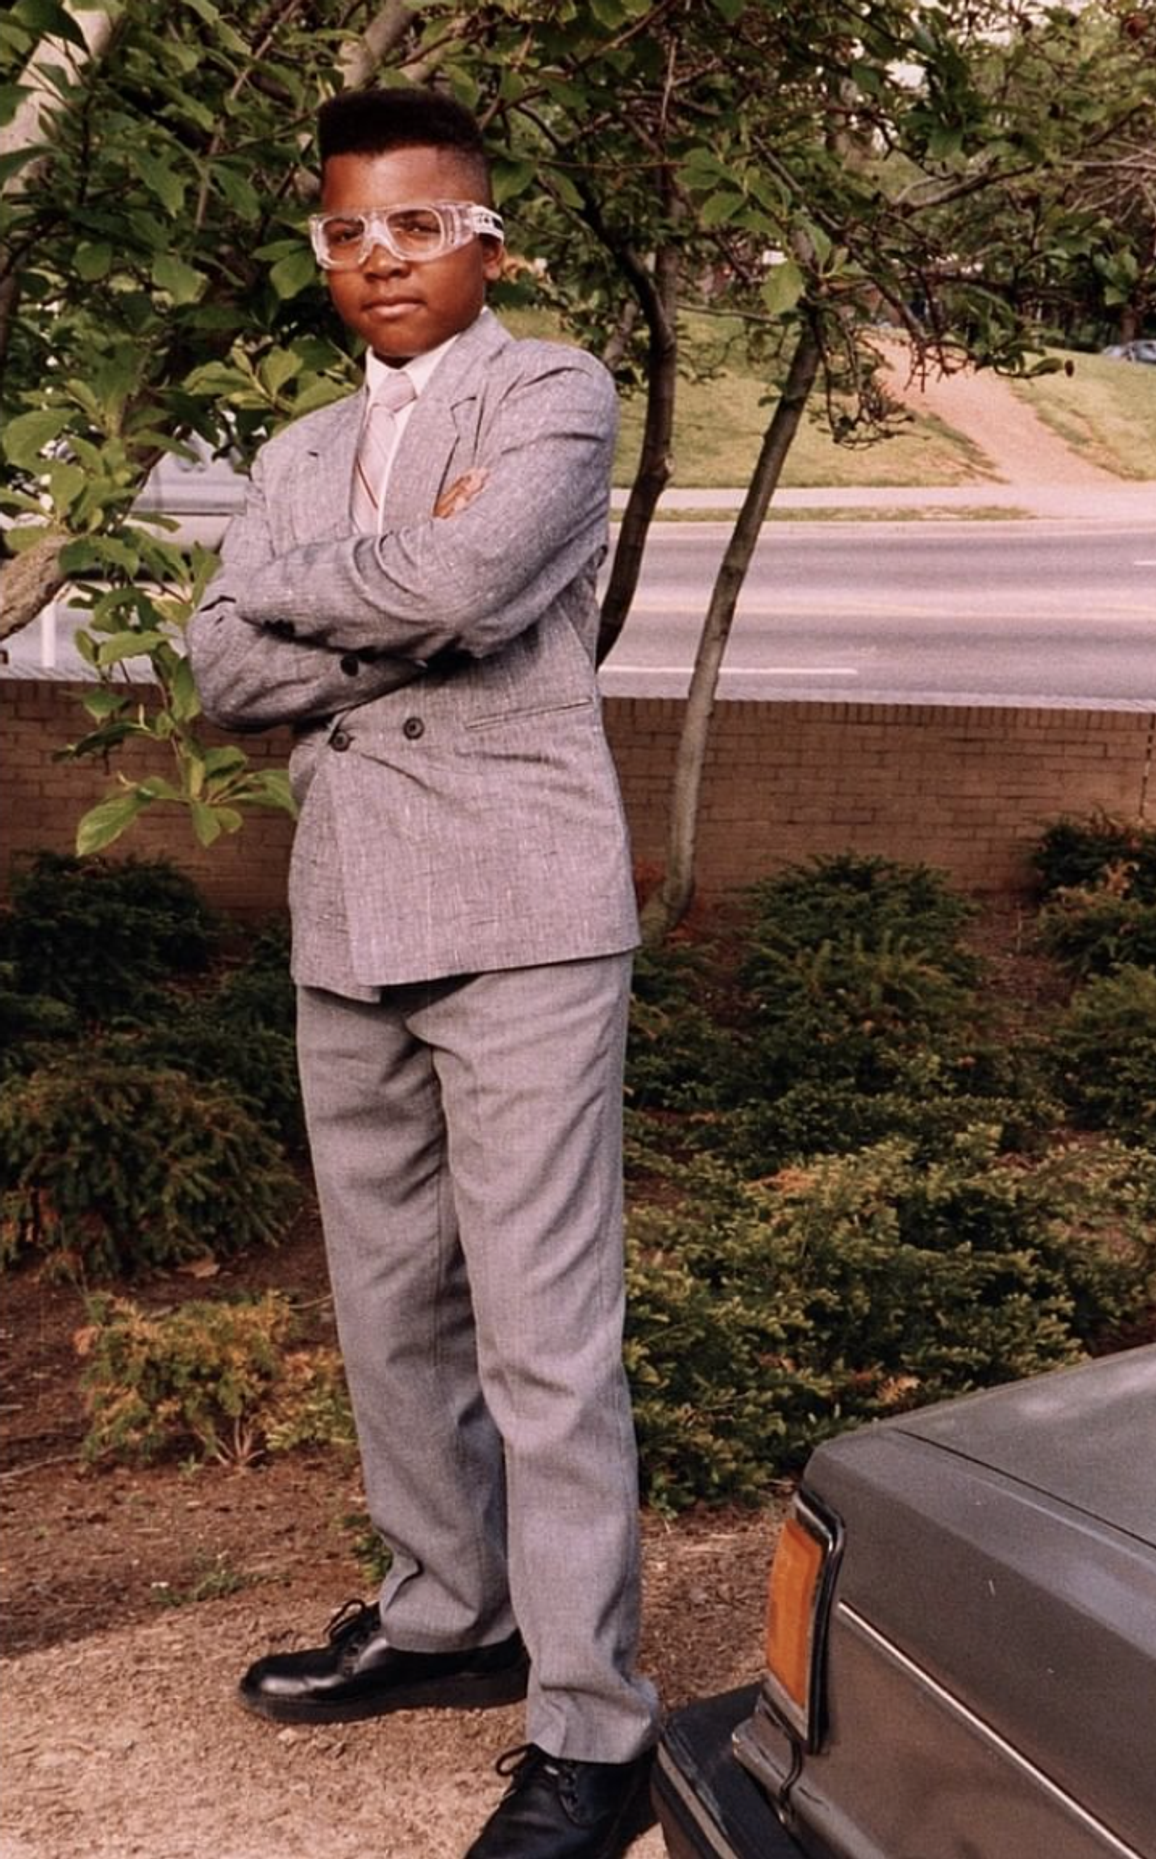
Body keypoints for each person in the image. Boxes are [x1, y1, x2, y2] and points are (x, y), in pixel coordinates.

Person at [187, 86, 659, 1859]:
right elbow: (224, 676)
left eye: (417, 224)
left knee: (546, 1341)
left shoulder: (553, 394)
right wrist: (394, 589)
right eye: (346, 232)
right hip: (349, 917)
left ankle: (595, 1732)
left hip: (524, 915)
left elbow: (467, 586)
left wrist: (320, 596)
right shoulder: (301, 450)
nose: (379, 258)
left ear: (486, 242)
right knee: (390, 1315)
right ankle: (450, 1614)